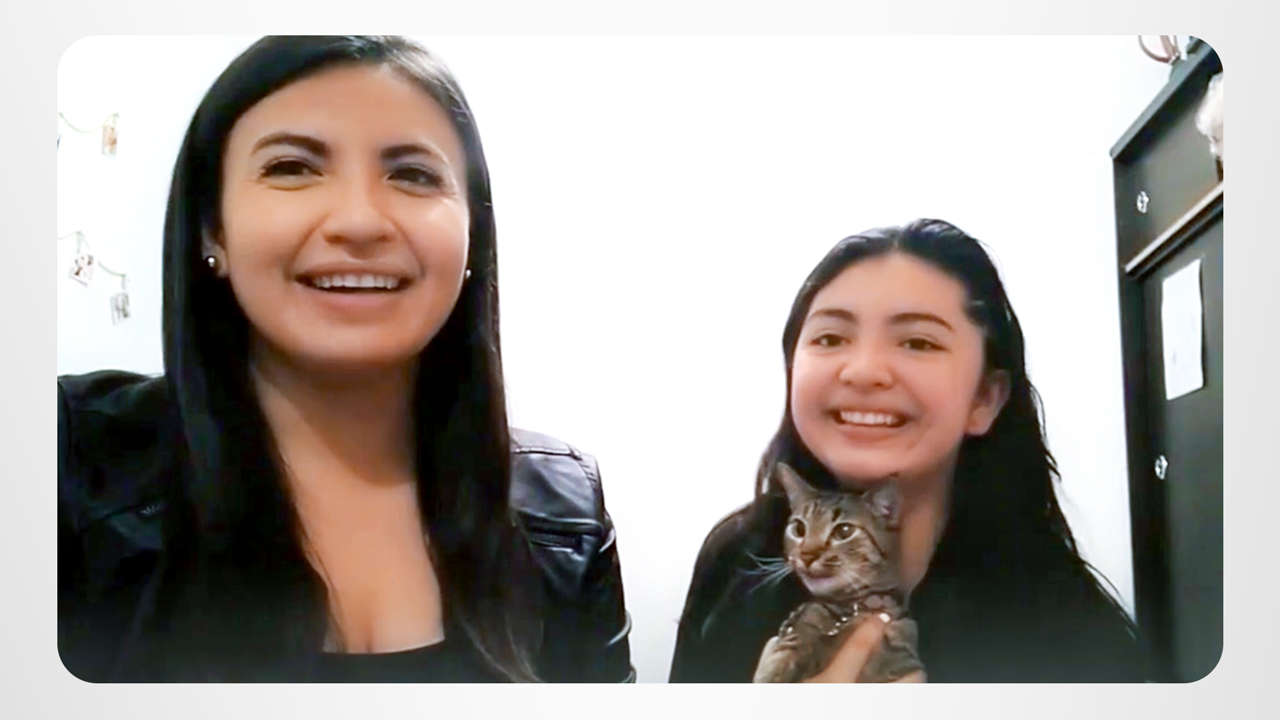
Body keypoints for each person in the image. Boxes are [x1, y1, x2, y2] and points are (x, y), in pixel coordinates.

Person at [57, 36, 632, 683]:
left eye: (414, 174)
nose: (359, 222)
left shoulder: (566, 514)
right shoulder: (69, 460)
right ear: (212, 228)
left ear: (472, 237)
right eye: (292, 168)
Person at [669, 219, 1144, 683]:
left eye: (917, 342)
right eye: (830, 338)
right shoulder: (734, 564)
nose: (863, 371)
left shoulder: (1072, 635)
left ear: (984, 398)